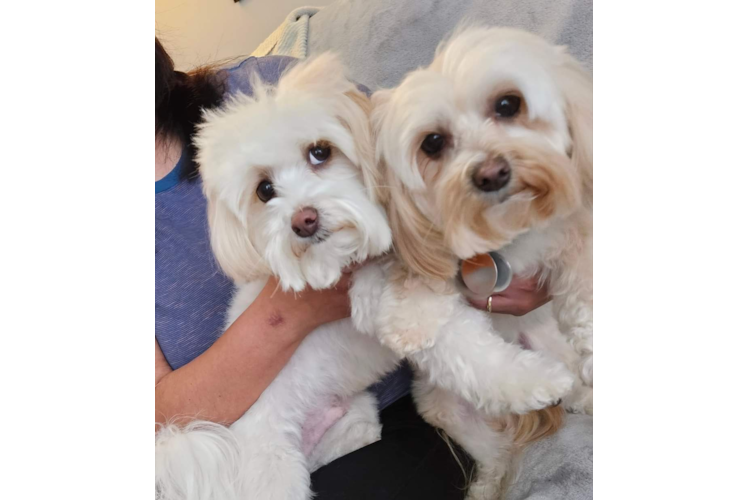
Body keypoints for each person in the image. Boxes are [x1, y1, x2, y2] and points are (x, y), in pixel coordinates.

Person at [154, 36, 550, 499]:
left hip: (403, 400)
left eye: (319, 155)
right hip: (256, 439)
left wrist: (489, 274)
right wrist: (289, 312)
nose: (303, 210)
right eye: (266, 191)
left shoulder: (275, 87)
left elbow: (423, 176)